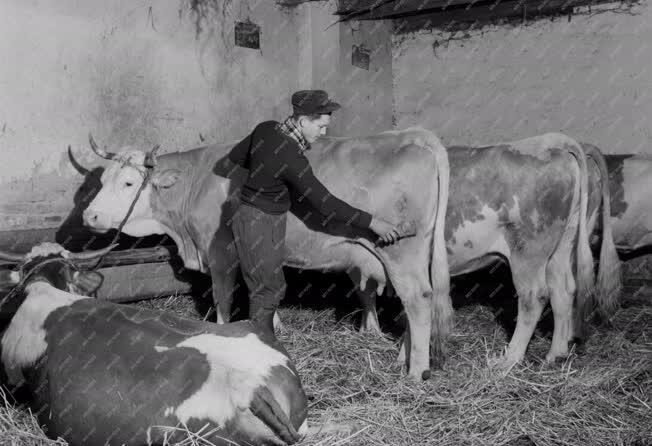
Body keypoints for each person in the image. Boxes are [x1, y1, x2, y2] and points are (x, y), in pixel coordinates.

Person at [227, 89, 401, 332]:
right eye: (320, 126)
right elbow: (325, 204)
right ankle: (260, 346)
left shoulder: (266, 128)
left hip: (259, 216)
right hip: (259, 221)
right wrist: (372, 222)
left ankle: (263, 340)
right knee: (265, 291)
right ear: (302, 121)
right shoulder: (291, 157)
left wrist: (266, 176)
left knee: (272, 283)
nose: (324, 133)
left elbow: (236, 156)